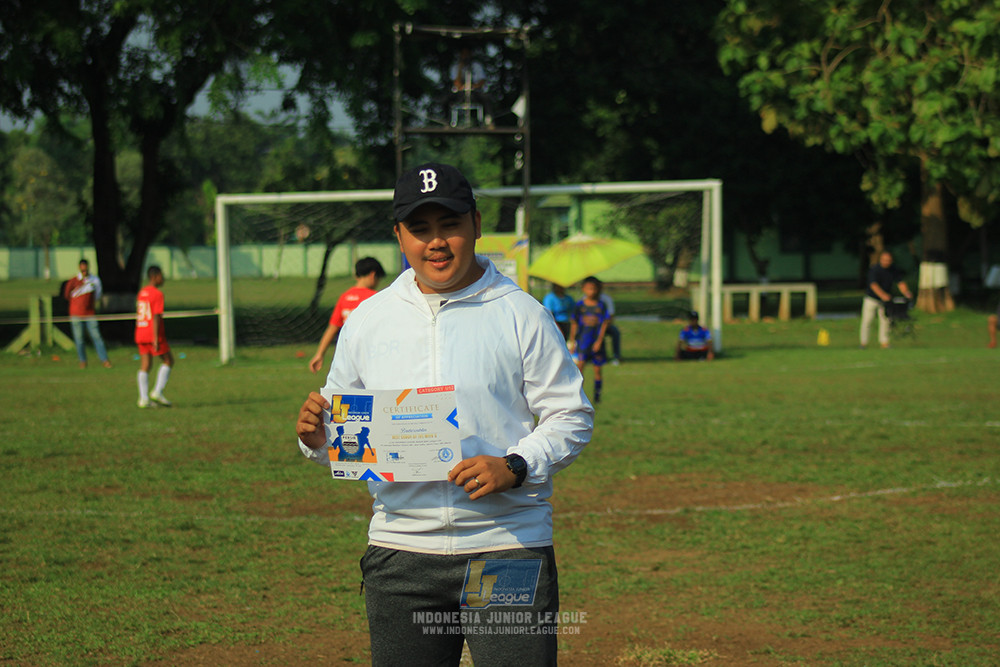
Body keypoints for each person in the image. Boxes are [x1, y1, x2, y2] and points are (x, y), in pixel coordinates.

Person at [295, 162, 593, 666]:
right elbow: (345, 441)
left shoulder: (521, 313)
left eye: (449, 225)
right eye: (420, 229)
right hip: (401, 554)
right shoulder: (368, 320)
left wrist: (516, 464)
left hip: (507, 545)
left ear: (476, 225)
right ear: (399, 235)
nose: (436, 242)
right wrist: (316, 438)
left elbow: (571, 416)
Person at [308, 257, 386, 374]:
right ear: (373, 275)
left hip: (347, 353)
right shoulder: (375, 297)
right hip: (370, 352)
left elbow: (332, 327)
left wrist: (320, 354)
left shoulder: (344, 297)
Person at [135, 265, 174, 408]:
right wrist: (155, 338)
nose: (163, 278)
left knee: (145, 365)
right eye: (161, 275)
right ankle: (157, 391)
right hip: (152, 333)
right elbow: (156, 316)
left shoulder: (142, 292)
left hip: (140, 331)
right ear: (155, 276)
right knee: (168, 360)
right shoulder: (157, 294)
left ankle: (143, 399)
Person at [63, 259, 112, 369]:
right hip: (76, 314)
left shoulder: (94, 280)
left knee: (96, 337)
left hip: (90, 313)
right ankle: (82, 361)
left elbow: (98, 295)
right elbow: (67, 295)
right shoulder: (73, 281)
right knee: (79, 339)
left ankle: (104, 360)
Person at [860, 251, 914, 349]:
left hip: (886, 301)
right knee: (867, 320)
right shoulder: (875, 269)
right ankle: (864, 342)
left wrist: (906, 292)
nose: (886, 262)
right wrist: (882, 295)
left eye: (888, 260)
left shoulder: (893, 270)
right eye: (884, 260)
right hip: (871, 299)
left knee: (886, 320)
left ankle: (884, 342)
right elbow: (873, 285)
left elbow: (900, 283)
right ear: (881, 259)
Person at [568, 275, 610, 404]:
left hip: (596, 342)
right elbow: (574, 323)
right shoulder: (580, 305)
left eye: (594, 289)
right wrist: (572, 340)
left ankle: (597, 396)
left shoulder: (601, 306)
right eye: (589, 289)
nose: (591, 291)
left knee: (597, 370)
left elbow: (604, 323)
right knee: (580, 368)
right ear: (584, 289)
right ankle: (577, 396)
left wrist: (599, 341)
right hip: (583, 341)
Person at [449, 46, 494, 126]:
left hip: (474, 91)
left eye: (467, 54)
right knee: (447, 99)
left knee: (486, 98)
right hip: (460, 92)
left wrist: (473, 86)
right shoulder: (455, 67)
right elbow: (456, 83)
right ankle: (447, 122)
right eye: (463, 54)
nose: (465, 56)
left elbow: (482, 81)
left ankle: (489, 120)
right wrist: (460, 68)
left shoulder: (476, 66)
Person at [597, 285, 622, 365]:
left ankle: (616, 356)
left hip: (605, 325)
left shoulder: (606, 299)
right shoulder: (584, 300)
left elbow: (610, 315)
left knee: (615, 332)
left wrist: (605, 327)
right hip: (592, 327)